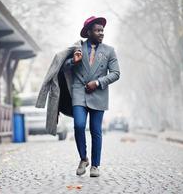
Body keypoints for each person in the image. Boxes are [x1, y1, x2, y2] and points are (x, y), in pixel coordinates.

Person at [36, 16, 120, 177]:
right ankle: (83, 158)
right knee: (79, 126)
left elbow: (116, 73)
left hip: (99, 94)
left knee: (96, 130)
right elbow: (64, 67)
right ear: (88, 32)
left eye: (102, 30)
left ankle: (95, 166)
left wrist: (98, 82)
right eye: (97, 30)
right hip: (79, 92)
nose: (101, 33)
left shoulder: (109, 51)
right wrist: (74, 62)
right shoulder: (78, 48)